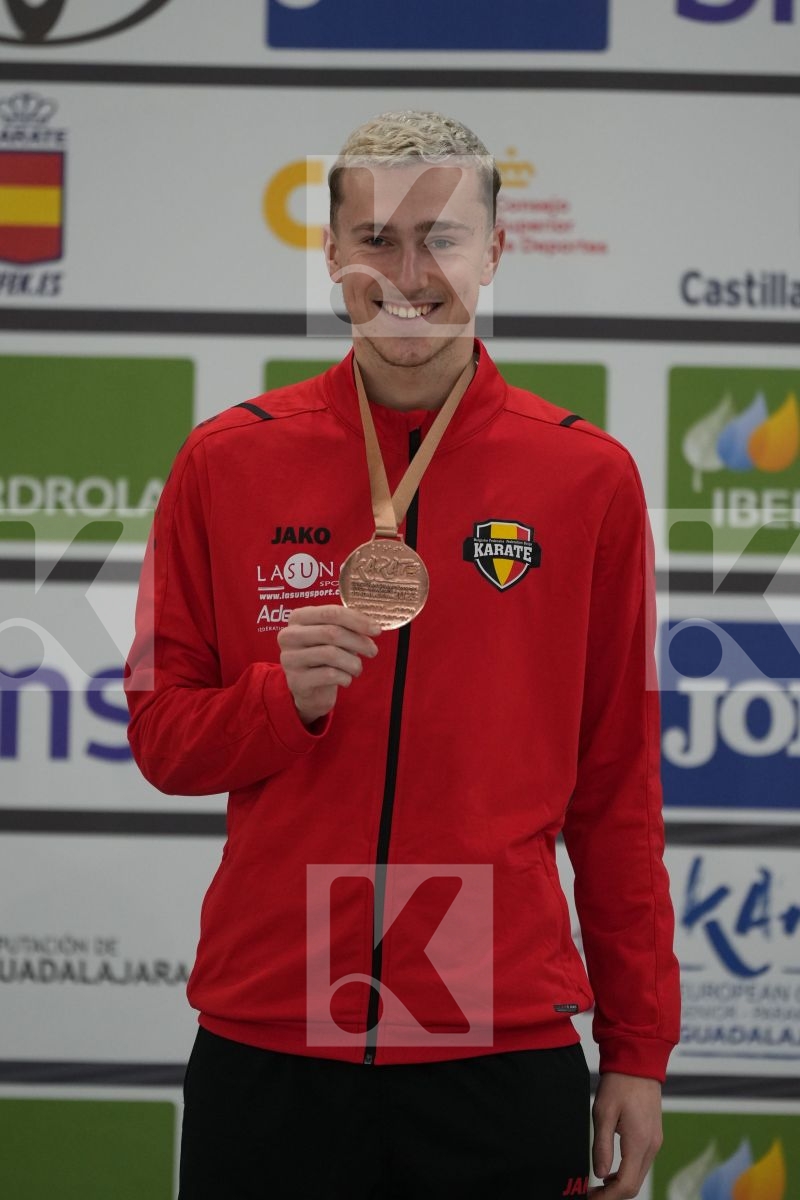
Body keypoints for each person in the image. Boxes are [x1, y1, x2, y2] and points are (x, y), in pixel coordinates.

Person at [125, 110, 680, 1199]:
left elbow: (616, 789)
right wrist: (274, 700)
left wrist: (637, 1048)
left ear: (495, 252)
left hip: (496, 1036)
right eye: (375, 238)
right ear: (329, 254)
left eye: (443, 237)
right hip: (274, 1030)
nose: (409, 270)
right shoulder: (227, 460)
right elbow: (163, 741)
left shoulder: (585, 478)